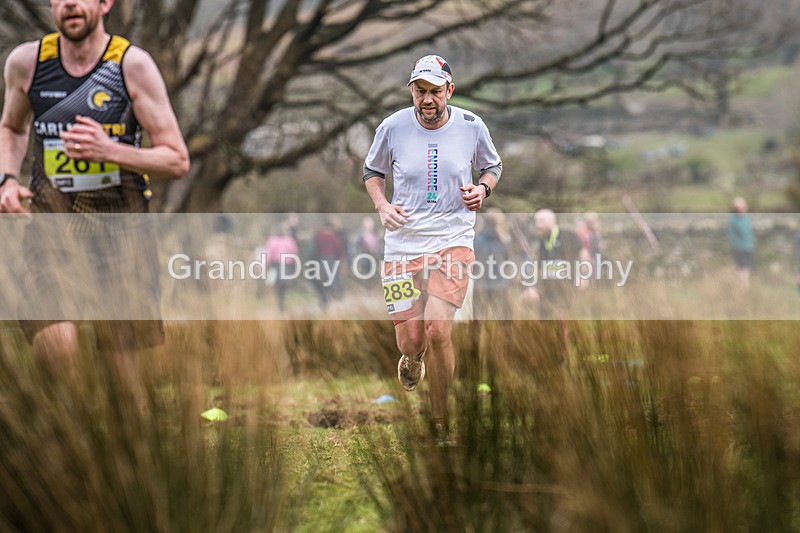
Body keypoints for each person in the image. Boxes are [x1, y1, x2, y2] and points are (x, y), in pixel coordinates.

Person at [0, 0, 189, 379]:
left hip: (122, 232)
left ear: (105, 4)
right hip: (53, 227)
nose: (70, 3)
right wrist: (6, 178)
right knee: (56, 348)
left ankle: (122, 434)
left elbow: (176, 160)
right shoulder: (27, 63)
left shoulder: (131, 66)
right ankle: (65, 435)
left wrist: (110, 151)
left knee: (124, 378)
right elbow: (14, 127)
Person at [363, 54, 502, 445]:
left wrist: (483, 189)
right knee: (411, 340)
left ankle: (442, 423)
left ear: (449, 91)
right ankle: (413, 357)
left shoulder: (472, 127)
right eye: (420, 91)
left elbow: (493, 166)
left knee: (438, 329)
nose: (427, 99)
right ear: (411, 90)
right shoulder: (391, 126)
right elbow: (372, 172)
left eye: (435, 92)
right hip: (400, 246)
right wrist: (382, 206)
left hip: (453, 239)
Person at [522, 209, 586, 365]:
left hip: (565, 287)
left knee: (562, 320)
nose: (537, 225)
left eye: (540, 221)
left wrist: (584, 277)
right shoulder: (541, 242)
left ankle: (564, 356)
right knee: (543, 320)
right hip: (547, 290)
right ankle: (547, 353)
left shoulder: (567, 235)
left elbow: (583, 254)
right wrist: (533, 287)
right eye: (536, 221)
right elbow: (536, 267)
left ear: (551, 221)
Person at [727, 197, 754, 291]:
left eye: (741, 207)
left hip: (748, 247)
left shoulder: (747, 217)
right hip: (739, 248)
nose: (740, 210)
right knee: (742, 269)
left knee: (747, 269)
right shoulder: (733, 219)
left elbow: (749, 232)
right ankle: (743, 288)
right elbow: (732, 235)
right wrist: (736, 247)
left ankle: (743, 287)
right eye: (737, 208)